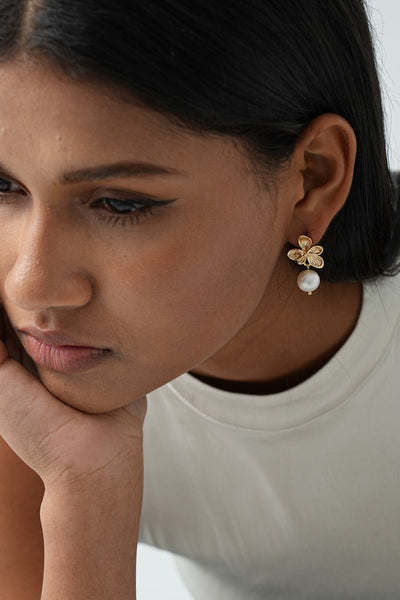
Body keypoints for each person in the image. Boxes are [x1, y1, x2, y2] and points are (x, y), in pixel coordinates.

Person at [0, 0, 399, 598]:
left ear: (313, 179)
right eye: (3, 186)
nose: (29, 285)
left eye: (121, 203)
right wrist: (87, 490)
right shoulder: (23, 382)